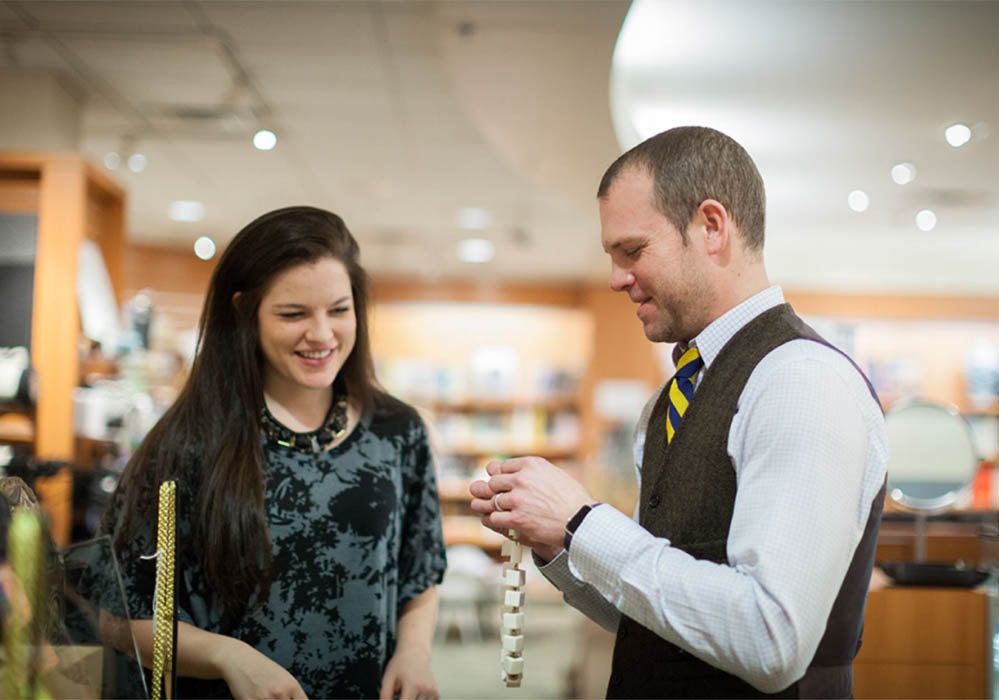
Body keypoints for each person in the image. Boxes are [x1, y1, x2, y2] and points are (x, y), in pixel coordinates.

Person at [470, 126, 887, 699]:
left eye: (633, 251)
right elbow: (661, 618)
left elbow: (772, 641)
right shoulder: (671, 399)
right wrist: (558, 542)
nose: (616, 278)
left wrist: (583, 521)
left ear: (712, 228)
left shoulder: (798, 380)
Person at [101, 205, 447, 699]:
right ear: (244, 311)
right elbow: (117, 616)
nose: (322, 334)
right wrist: (227, 655)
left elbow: (419, 575)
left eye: (339, 310)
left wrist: (414, 653)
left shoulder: (397, 431)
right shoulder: (185, 443)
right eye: (293, 314)